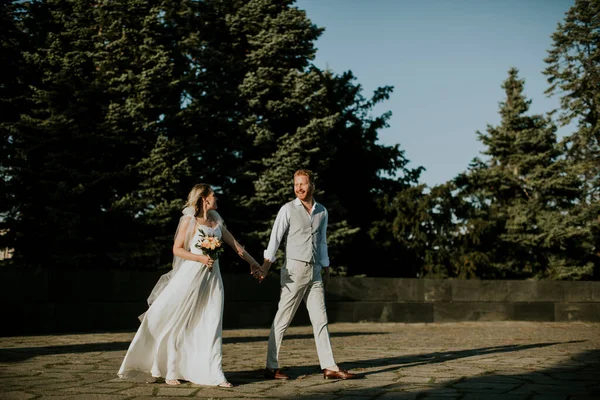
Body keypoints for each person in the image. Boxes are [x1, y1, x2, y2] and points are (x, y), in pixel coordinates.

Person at [118, 183, 261, 387]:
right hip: (190, 277)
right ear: (204, 199)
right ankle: (171, 370)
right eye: (213, 195)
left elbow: (235, 245)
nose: (216, 198)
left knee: (212, 322)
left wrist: (254, 263)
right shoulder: (190, 221)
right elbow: (177, 249)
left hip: (213, 280)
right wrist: (200, 258)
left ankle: (215, 372)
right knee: (179, 322)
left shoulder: (217, 221)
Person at [255, 169, 357, 380]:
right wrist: (266, 266)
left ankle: (329, 366)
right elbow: (275, 238)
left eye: (302, 184)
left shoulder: (322, 211)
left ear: (312, 185)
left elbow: (322, 242)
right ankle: (271, 366)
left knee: (321, 320)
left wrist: (326, 267)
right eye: (295, 184)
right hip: (294, 271)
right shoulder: (287, 209)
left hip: (315, 272)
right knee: (283, 318)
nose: (298, 188)